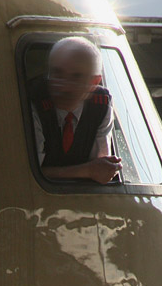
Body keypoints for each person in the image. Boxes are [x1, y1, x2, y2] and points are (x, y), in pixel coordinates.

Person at [29, 37, 122, 183]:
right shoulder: (33, 100)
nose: (64, 86)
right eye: (57, 74)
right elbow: (29, 173)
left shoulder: (101, 105)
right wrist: (87, 171)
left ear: (94, 83)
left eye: (76, 77)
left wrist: (93, 171)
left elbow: (101, 170)